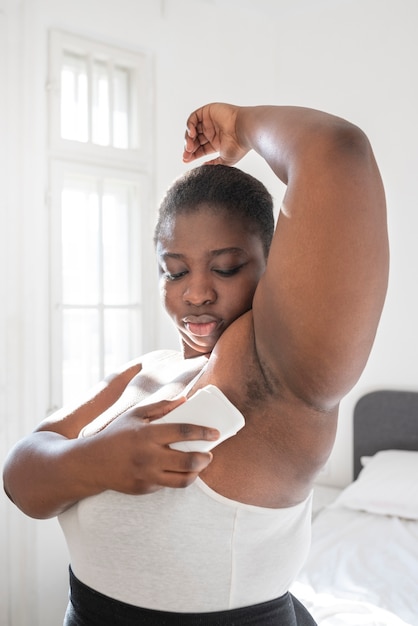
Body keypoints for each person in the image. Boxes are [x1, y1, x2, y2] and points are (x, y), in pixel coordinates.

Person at [3, 102, 389, 625]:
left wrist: (241, 125)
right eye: (175, 270)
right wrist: (97, 461)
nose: (197, 293)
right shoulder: (147, 370)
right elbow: (20, 476)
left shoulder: (281, 377)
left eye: (227, 267)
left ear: (275, 268)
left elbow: (337, 151)